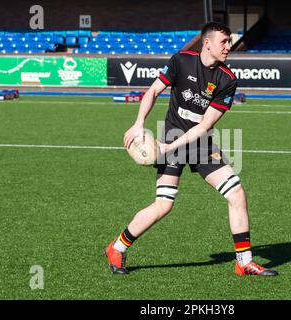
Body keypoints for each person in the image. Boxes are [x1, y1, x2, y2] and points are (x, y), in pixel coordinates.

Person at [105, 22, 278, 277]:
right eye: (224, 42)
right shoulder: (181, 61)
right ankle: (116, 248)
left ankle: (243, 262)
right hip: (172, 135)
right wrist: (138, 124)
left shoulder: (227, 79)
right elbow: (154, 90)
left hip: (198, 144)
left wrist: (167, 146)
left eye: (229, 42)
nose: (228, 46)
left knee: (237, 194)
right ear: (207, 43)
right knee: (164, 204)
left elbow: (205, 125)